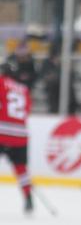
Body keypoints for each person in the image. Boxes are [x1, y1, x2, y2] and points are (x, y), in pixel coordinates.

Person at [0, 65, 34, 213]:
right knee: (21, 168)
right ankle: (28, 198)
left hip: (2, 132)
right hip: (20, 135)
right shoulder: (24, 89)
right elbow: (27, 110)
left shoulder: (1, 82)